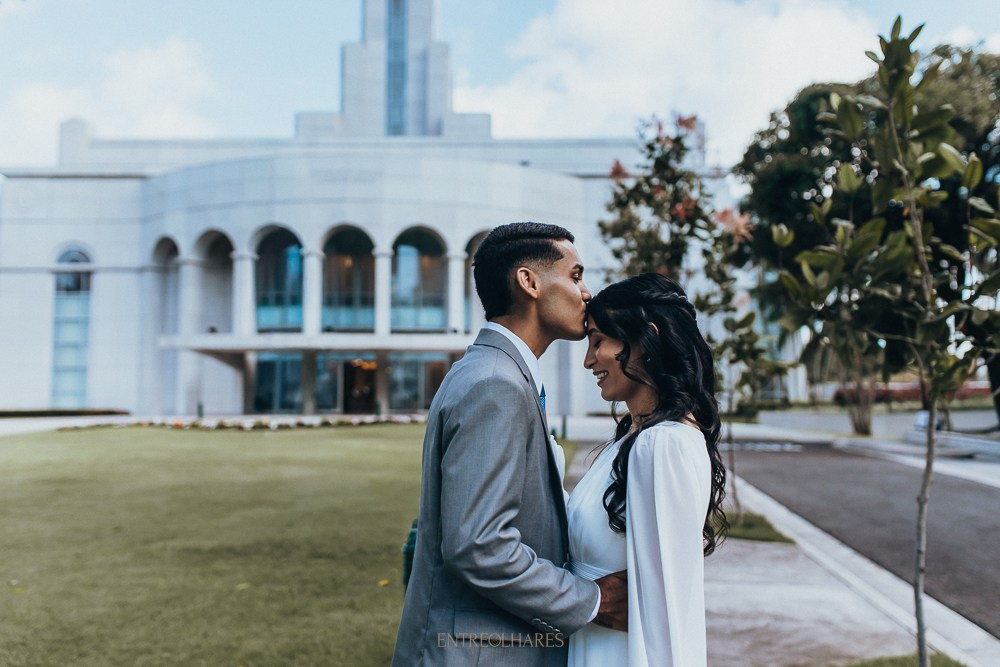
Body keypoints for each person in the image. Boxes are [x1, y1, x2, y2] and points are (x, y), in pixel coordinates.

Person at [392, 222, 627, 667]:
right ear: (529, 282)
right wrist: (592, 599)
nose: (587, 292)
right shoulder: (496, 384)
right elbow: (478, 544)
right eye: (576, 275)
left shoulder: (495, 374)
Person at [568, 273, 728, 666]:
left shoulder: (664, 445)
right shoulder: (632, 441)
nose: (589, 360)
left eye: (598, 341)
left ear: (646, 340)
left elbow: (666, 617)